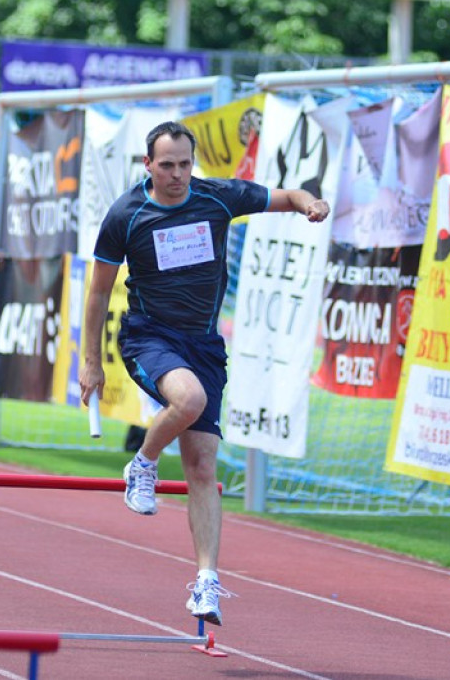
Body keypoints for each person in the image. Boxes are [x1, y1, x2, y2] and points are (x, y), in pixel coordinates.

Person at [79, 121, 329, 626]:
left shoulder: (218, 198)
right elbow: (99, 291)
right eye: (166, 165)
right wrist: (90, 362)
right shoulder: (127, 215)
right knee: (187, 400)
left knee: (202, 469)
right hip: (149, 337)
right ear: (147, 166)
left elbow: (287, 195)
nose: (177, 174)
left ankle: (206, 582)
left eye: (184, 164)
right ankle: (142, 465)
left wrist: (308, 204)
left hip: (206, 346)